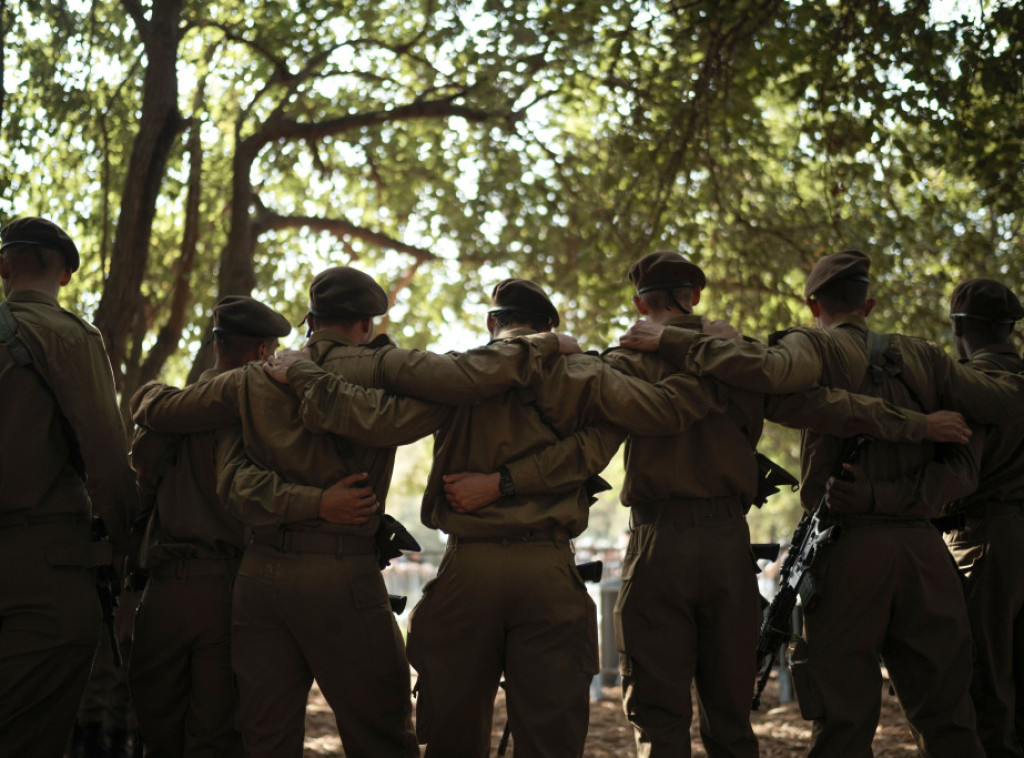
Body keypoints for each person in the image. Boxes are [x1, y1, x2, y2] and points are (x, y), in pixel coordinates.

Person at [269, 275, 963, 758]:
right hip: (549, 568)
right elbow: (672, 412)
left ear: (494, 327)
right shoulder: (593, 376)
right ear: (551, 330)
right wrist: (696, 351)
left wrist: (304, 369)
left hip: (468, 568)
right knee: (553, 733)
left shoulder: (457, 376)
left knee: (452, 731)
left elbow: (367, 411)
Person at [129, 266, 599, 758]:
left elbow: (170, 419)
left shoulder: (254, 378)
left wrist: (151, 395)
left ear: (310, 320)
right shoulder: (384, 368)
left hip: (261, 578)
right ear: (366, 326)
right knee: (380, 734)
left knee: (264, 739)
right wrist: (542, 345)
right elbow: (467, 379)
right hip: (342, 575)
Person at [618, 249, 1024, 757]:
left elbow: (782, 381)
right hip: (924, 551)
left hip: (844, 549)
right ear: (869, 304)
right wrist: (918, 434)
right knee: (949, 719)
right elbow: (995, 412)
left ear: (813, 305)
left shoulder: (804, 347)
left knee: (840, 721)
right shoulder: (928, 357)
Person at [127, 296, 293, 758]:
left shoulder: (168, 413)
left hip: (164, 590)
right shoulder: (263, 415)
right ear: (263, 353)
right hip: (231, 588)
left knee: (156, 728)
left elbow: (141, 479)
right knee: (216, 733)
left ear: (216, 344)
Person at [0, 217, 138, 757]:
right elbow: (106, 459)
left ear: (4, 267)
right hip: (44, 573)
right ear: (64, 276)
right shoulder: (68, 336)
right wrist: (131, 558)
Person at [939, 278, 1024, 758]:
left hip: (984, 537)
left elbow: (954, 478)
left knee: (985, 680)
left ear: (958, 327)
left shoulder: (964, 385)